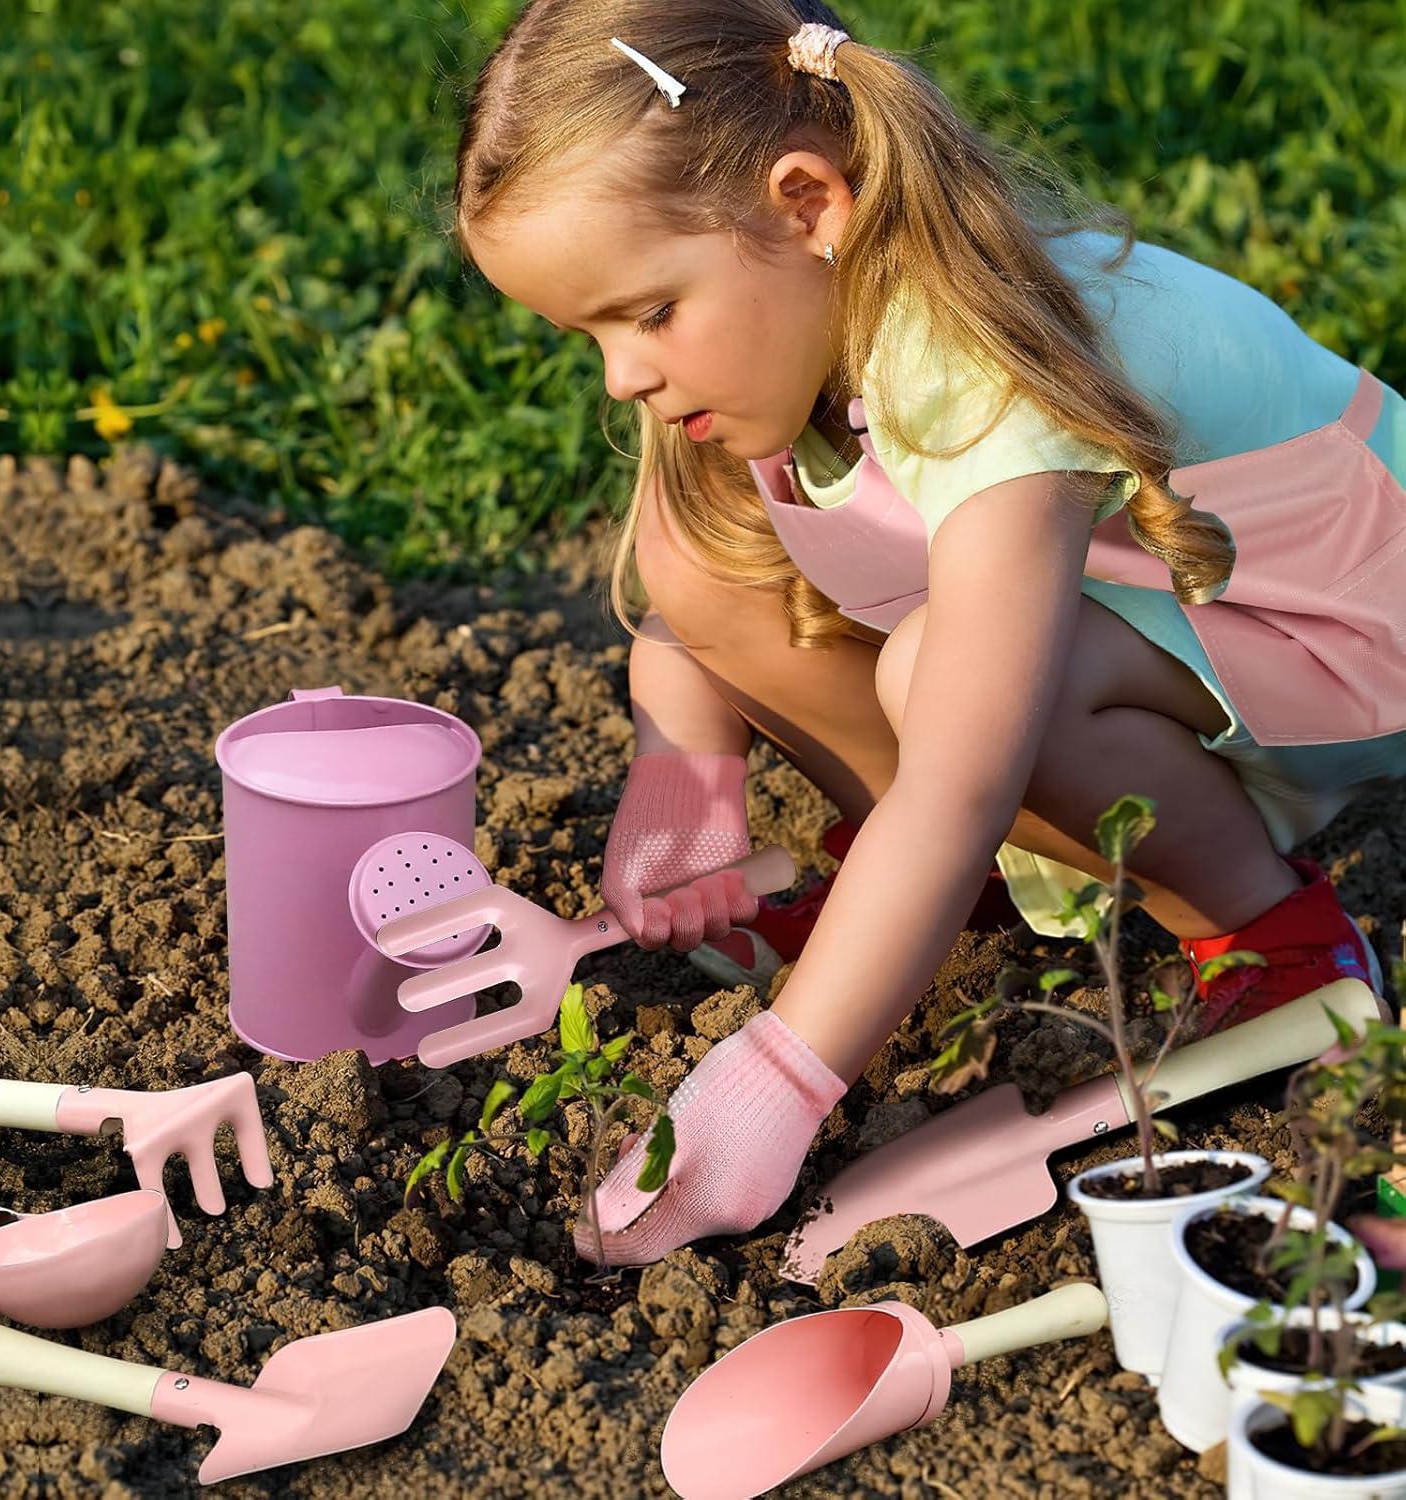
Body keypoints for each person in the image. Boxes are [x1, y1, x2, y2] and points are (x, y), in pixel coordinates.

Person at [452, 1, 1406, 1267]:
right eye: (591, 335)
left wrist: (778, 1081)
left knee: (955, 683)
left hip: (1332, 614)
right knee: (699, 551)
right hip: (1170, 600)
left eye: (649, 315)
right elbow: (696, 607)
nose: (622, 373)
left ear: (807, 205)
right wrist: (682, 775)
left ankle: (1271, 937)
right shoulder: (788, 319)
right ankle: (945, 901)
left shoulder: (983, 357)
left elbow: (963, 770)